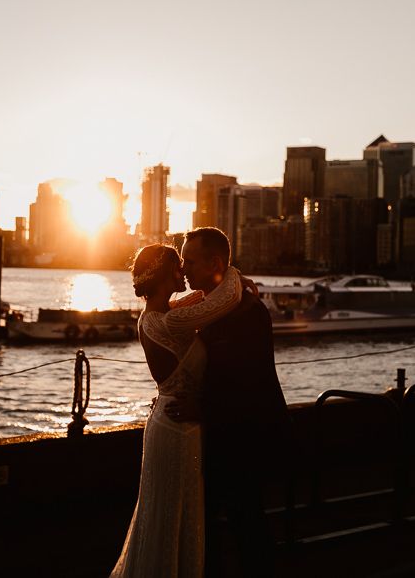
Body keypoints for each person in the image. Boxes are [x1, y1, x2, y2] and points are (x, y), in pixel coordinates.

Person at [110, 243, 252, 578]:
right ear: (164, 275)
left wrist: (235, 278)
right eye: (179, 266)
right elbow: (226, 298)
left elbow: (203, 299)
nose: (184, 272)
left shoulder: (157, 316)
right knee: (174, 514)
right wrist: (234, 274)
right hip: (178, 427)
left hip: (170, 421)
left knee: (168, 514)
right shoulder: (171, 323)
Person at [166, 227, 290, 578]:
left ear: (214, 262)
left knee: (244, 517)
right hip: (221, 432)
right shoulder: (209, 305)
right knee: (216, 518)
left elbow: (249, 382)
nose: (183, 269)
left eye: (189, 261)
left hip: (245, 434)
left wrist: (200, 409)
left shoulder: (247, 312)